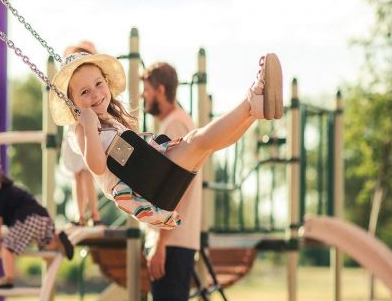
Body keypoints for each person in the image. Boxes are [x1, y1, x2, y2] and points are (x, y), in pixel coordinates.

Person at [47, 51, 283, 229]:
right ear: (72, 103)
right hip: (147, 187)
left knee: (206, 145)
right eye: (84, 92)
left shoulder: (109, 119)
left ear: (106, 84)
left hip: (152, 174)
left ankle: (253, 112)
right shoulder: (79, 130)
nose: (96, 94)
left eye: (98, 84)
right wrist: (88, 126)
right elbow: (97, 166)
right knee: (198, 141)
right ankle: (251, 100)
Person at [138, 62, 201, 301]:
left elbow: (172, 188)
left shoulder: (174, 126)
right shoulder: (182, 123)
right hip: (178, 239)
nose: (143, 95)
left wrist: (159, 240)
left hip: (172, 240)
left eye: (146, 88)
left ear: (160, 89)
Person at [0, 160, 74, 288]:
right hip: (44, 219)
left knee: (6, 247)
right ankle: (57, 237)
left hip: (27, 219)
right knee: (47, 250)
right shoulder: (14, 189)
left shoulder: (0, 194)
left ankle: (8, 278)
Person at [59, 40, 103, 226]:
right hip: (74, 134)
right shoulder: (72, 90)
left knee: (87, 174)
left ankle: (93, 214)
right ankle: (81, 215)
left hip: (86, 133)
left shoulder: (92, 94)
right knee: (78, 176)